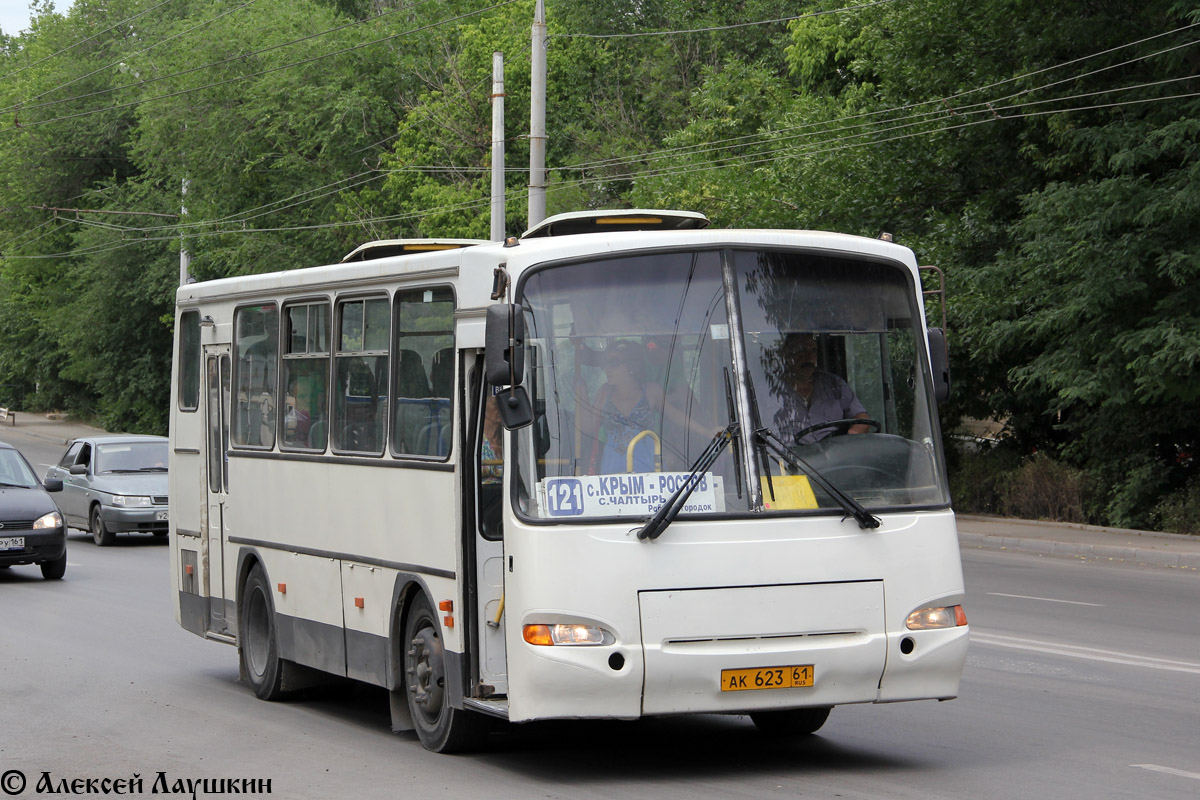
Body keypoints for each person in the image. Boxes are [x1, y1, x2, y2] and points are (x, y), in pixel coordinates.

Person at [773, 333, 870, 445]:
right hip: (790, 458)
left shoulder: (834, 384)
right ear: (787, 354)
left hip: (834, 456)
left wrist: (849, 441)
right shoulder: (771, 391)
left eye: (813, 350)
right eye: (802, 350)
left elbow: (862, 419)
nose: (808, 357)